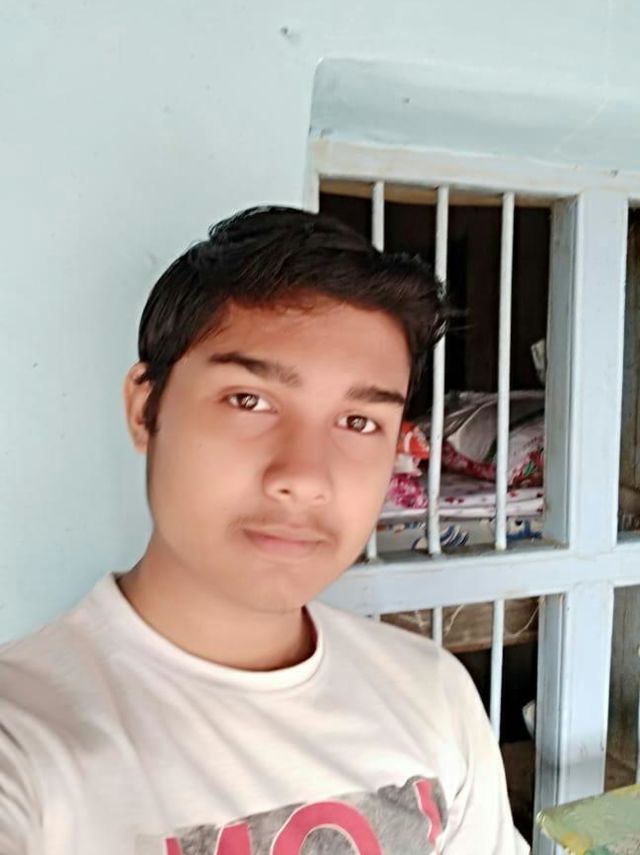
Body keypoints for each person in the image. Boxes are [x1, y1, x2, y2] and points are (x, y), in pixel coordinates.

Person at [0, 207, 527, 854]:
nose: (304, 477)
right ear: (146, 408)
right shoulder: (25, 739)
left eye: (359, 422)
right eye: (249, 401)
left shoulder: (432, 694)